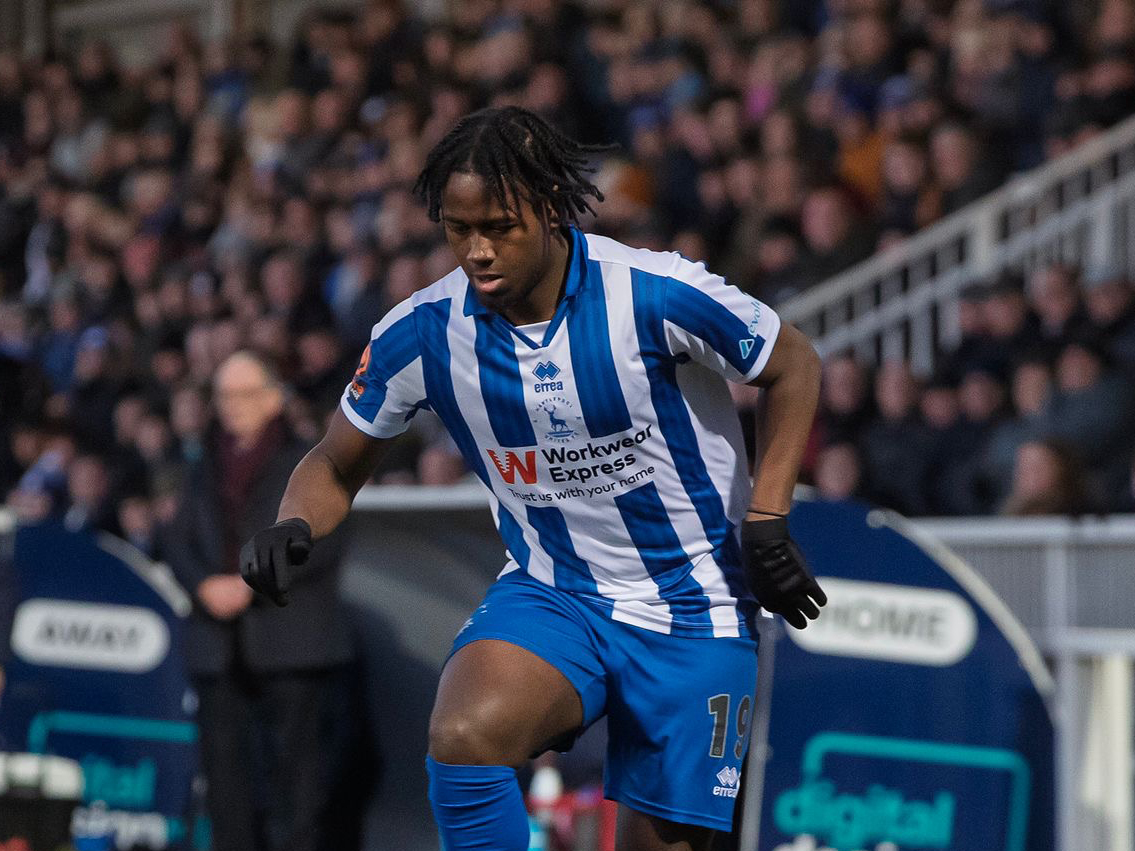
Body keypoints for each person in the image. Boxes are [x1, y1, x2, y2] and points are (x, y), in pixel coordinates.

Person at [241, 106, 825, 851]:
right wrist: (296, 522)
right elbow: (332, 460)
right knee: (462, 734)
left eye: (498, 226)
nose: (477, 250)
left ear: (550, 210)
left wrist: (768, 517)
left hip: (696, 604)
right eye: (459, 230)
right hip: (556, 590)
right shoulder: (421, 331)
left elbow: (792, 363)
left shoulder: (650, 290)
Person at [165, 351, 351, 851]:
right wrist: (205, 586)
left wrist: (249, 585)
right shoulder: (202, 464)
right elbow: (176, 540)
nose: (231, 406)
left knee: (300, 787)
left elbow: (324, 541)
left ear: (274, 398)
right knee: (227, 788)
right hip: (216, 647)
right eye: (223, 395)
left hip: (290, 644)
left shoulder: (309, 459)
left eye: (244, 394)